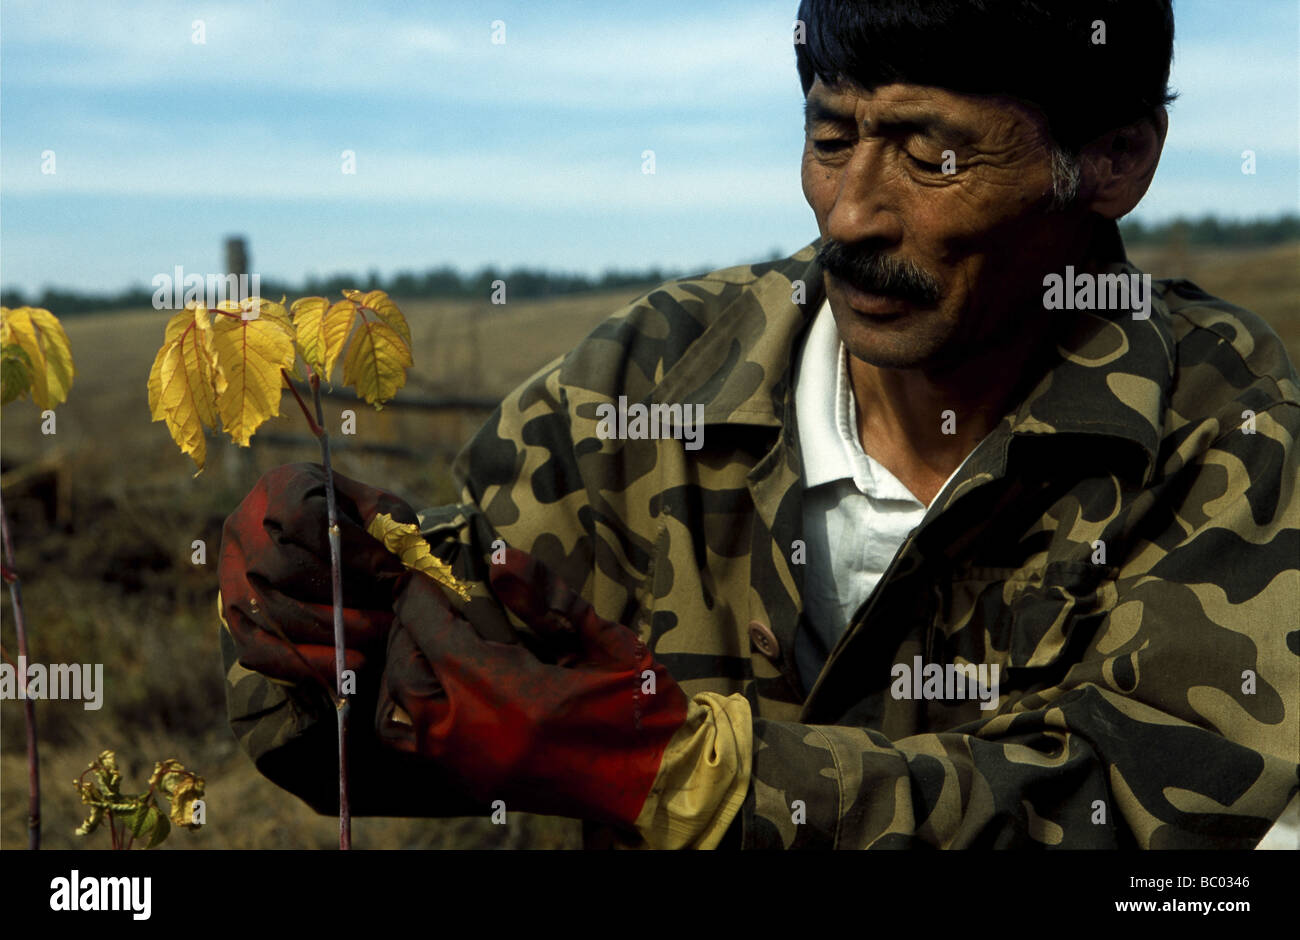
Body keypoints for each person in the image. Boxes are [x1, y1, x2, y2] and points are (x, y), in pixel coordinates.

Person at [218, 0, 1299, 849]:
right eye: (832, 137)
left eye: (934, 156)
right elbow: (389, 733)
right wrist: (330, 639)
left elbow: (1158, 815)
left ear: (1113, 160)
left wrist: (675, 774)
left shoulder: (1221, 422)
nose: (853, 213)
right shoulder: (639, 386)